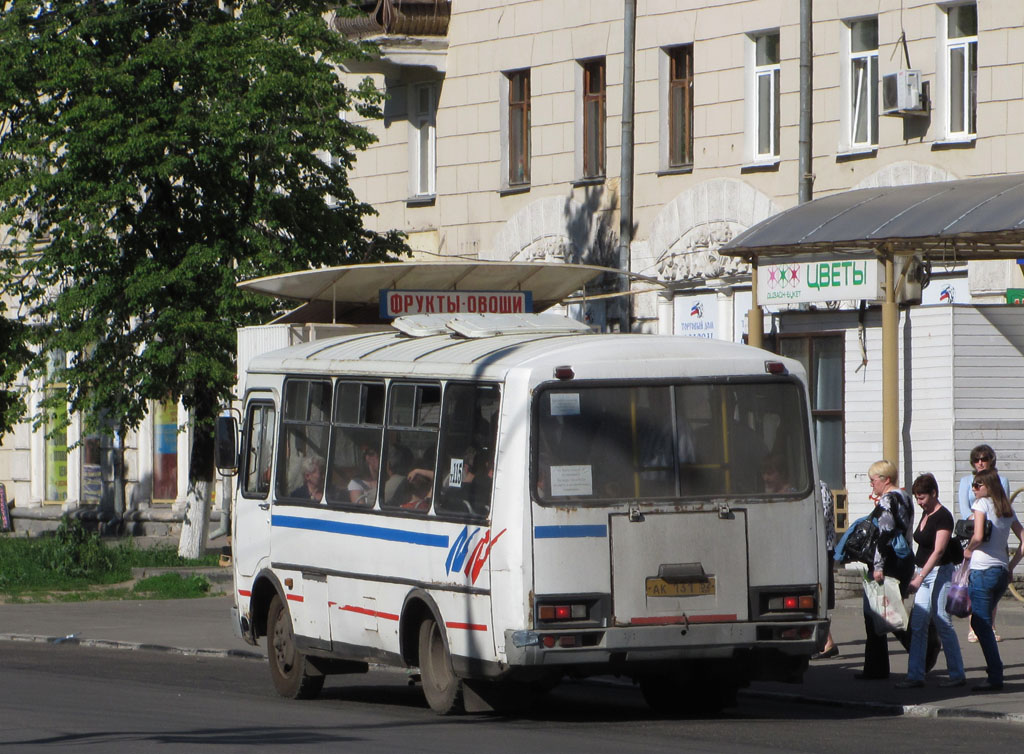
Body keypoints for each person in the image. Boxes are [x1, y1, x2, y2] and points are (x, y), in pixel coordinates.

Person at [858, 460, 938, 680]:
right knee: (888, 610)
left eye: (873, 480)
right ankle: (881, 666)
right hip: (904, 560)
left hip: (888, 563)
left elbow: (884, 535)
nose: (871, 485)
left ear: (885, 480)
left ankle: (916, 648)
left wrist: (878, 566)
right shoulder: (904, 497)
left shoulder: (887, 500)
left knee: (877, 613)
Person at [895, 473, 965, 689]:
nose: (919, 502)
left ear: (934, 493)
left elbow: (939, 551)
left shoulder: (943, 516)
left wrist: (920, 577)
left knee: (943, 621)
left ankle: (957, 674)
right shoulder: (925, 514)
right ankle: (915, 675)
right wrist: (917, 575)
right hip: (922, 572)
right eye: (917, 497)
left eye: (922, 497)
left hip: (938, 573)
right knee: (918, 624)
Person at [965, 467, 1024, 692]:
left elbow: (978, 535)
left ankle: (995, 675)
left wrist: (969, 549)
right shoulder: (1006, 509)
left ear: (988, 486)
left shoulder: (981, 505)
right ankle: (994, 672)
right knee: (984, 621)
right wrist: (1010, 567)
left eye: (978, 485)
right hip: (1000, 571)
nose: (974, 489)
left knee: (980, 623)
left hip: (982, 571)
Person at [956, 443, 1010, 643]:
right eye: (977, 459)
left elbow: (1002, 505)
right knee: (973, 582)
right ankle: (974, 626)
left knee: (989, 585)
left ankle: (990, 626)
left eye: (984, 459)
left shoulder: (1000, 480)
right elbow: (965, 508)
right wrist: (977, 523)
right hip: (973, 530)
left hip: (994, 535)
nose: (980, 463)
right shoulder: (966, 482)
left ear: (990, 461)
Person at [813, 479, 839, 660]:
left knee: (820, 598)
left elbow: (820, 517)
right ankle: (825, 642)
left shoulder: (821, 487)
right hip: (811, 548)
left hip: (822, 548)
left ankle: (827, 643)